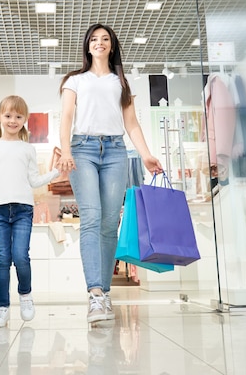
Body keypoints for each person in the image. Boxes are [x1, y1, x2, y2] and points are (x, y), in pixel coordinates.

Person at [56, 23, 164, 323]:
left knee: (108, 223)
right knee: (90, 218)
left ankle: (104, 292)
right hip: (82, 150)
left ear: (112, 46)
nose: (99, 43)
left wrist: (146, 155)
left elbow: (131, 124)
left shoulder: (121, 83)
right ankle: (95, 295)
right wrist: (65, 150)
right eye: (94, 39)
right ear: (87, 46)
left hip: (116, 152)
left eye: (105, 39)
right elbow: (66, 117)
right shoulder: (75, 80)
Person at [0, 95, 60, 328]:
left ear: (25, 119)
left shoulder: (28, 149)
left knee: (21, 255)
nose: (13, 120)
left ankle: (25, 296)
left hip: (24, 210)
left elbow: (35, 181)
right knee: (3, 259)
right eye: (8, 116)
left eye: (18, 116)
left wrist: (55, 172)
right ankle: (2, 308)